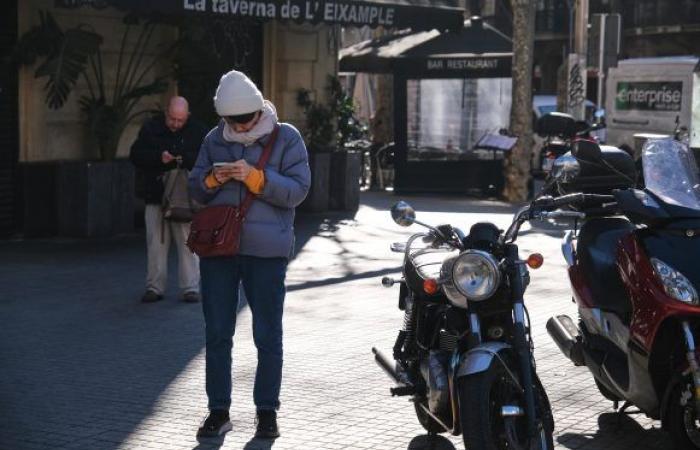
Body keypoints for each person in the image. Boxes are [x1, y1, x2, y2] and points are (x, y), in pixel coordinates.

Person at [188, 71, 310, 439]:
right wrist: (213, 179)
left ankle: (267, 411)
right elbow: (195, 187)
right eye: (232, 122)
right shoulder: (214, 139)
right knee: (217, 333)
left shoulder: (286, 137)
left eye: (245, 120)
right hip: (218, 249)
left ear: (259, 111)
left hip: (266, 252)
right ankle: (218, 411)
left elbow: (299, 190)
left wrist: (256, 179)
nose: (239, 128)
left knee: (267, 335)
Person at [130, 96, 207, 304]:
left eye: (180, 120)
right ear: (166, 114)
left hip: (184, 197)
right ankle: (154, 286)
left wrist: (181, 158)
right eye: (172, 119)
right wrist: (158, 157)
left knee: (187, 243)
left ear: (187, 117)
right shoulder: (151, 128)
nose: (175, 124)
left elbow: (205, 158)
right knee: (155, 243)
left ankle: (191, 287)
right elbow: (136, 155)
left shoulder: (197, 130)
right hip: (155, 195)